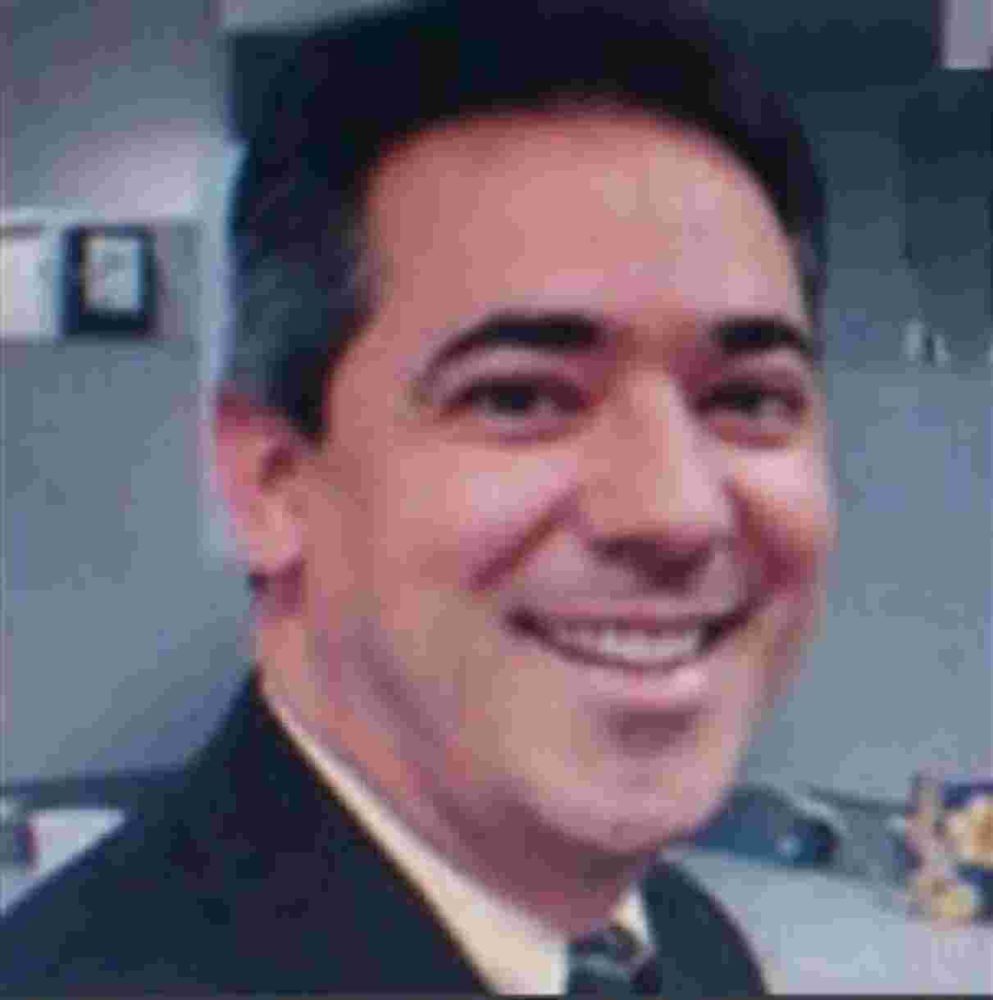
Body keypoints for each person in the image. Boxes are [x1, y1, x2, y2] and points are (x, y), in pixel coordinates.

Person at [0, 0, 835, 994]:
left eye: (749, 399)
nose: (675, 510)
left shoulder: (691, 950)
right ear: (270, 482)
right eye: (518, 396)